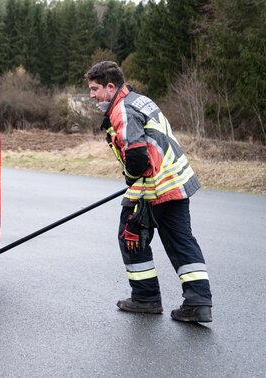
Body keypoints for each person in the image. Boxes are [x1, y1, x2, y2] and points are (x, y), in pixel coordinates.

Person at [84, 61, 212, 323]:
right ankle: (198, 302)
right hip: (175, 183)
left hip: (152, 186)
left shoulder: (123, 109)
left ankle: (145, 298)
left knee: (131, 238)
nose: (92, 95)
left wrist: (130, 178)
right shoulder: (141, 100)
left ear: (111, 86)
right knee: (182, 242)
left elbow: (138, 157)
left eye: (95, 89)